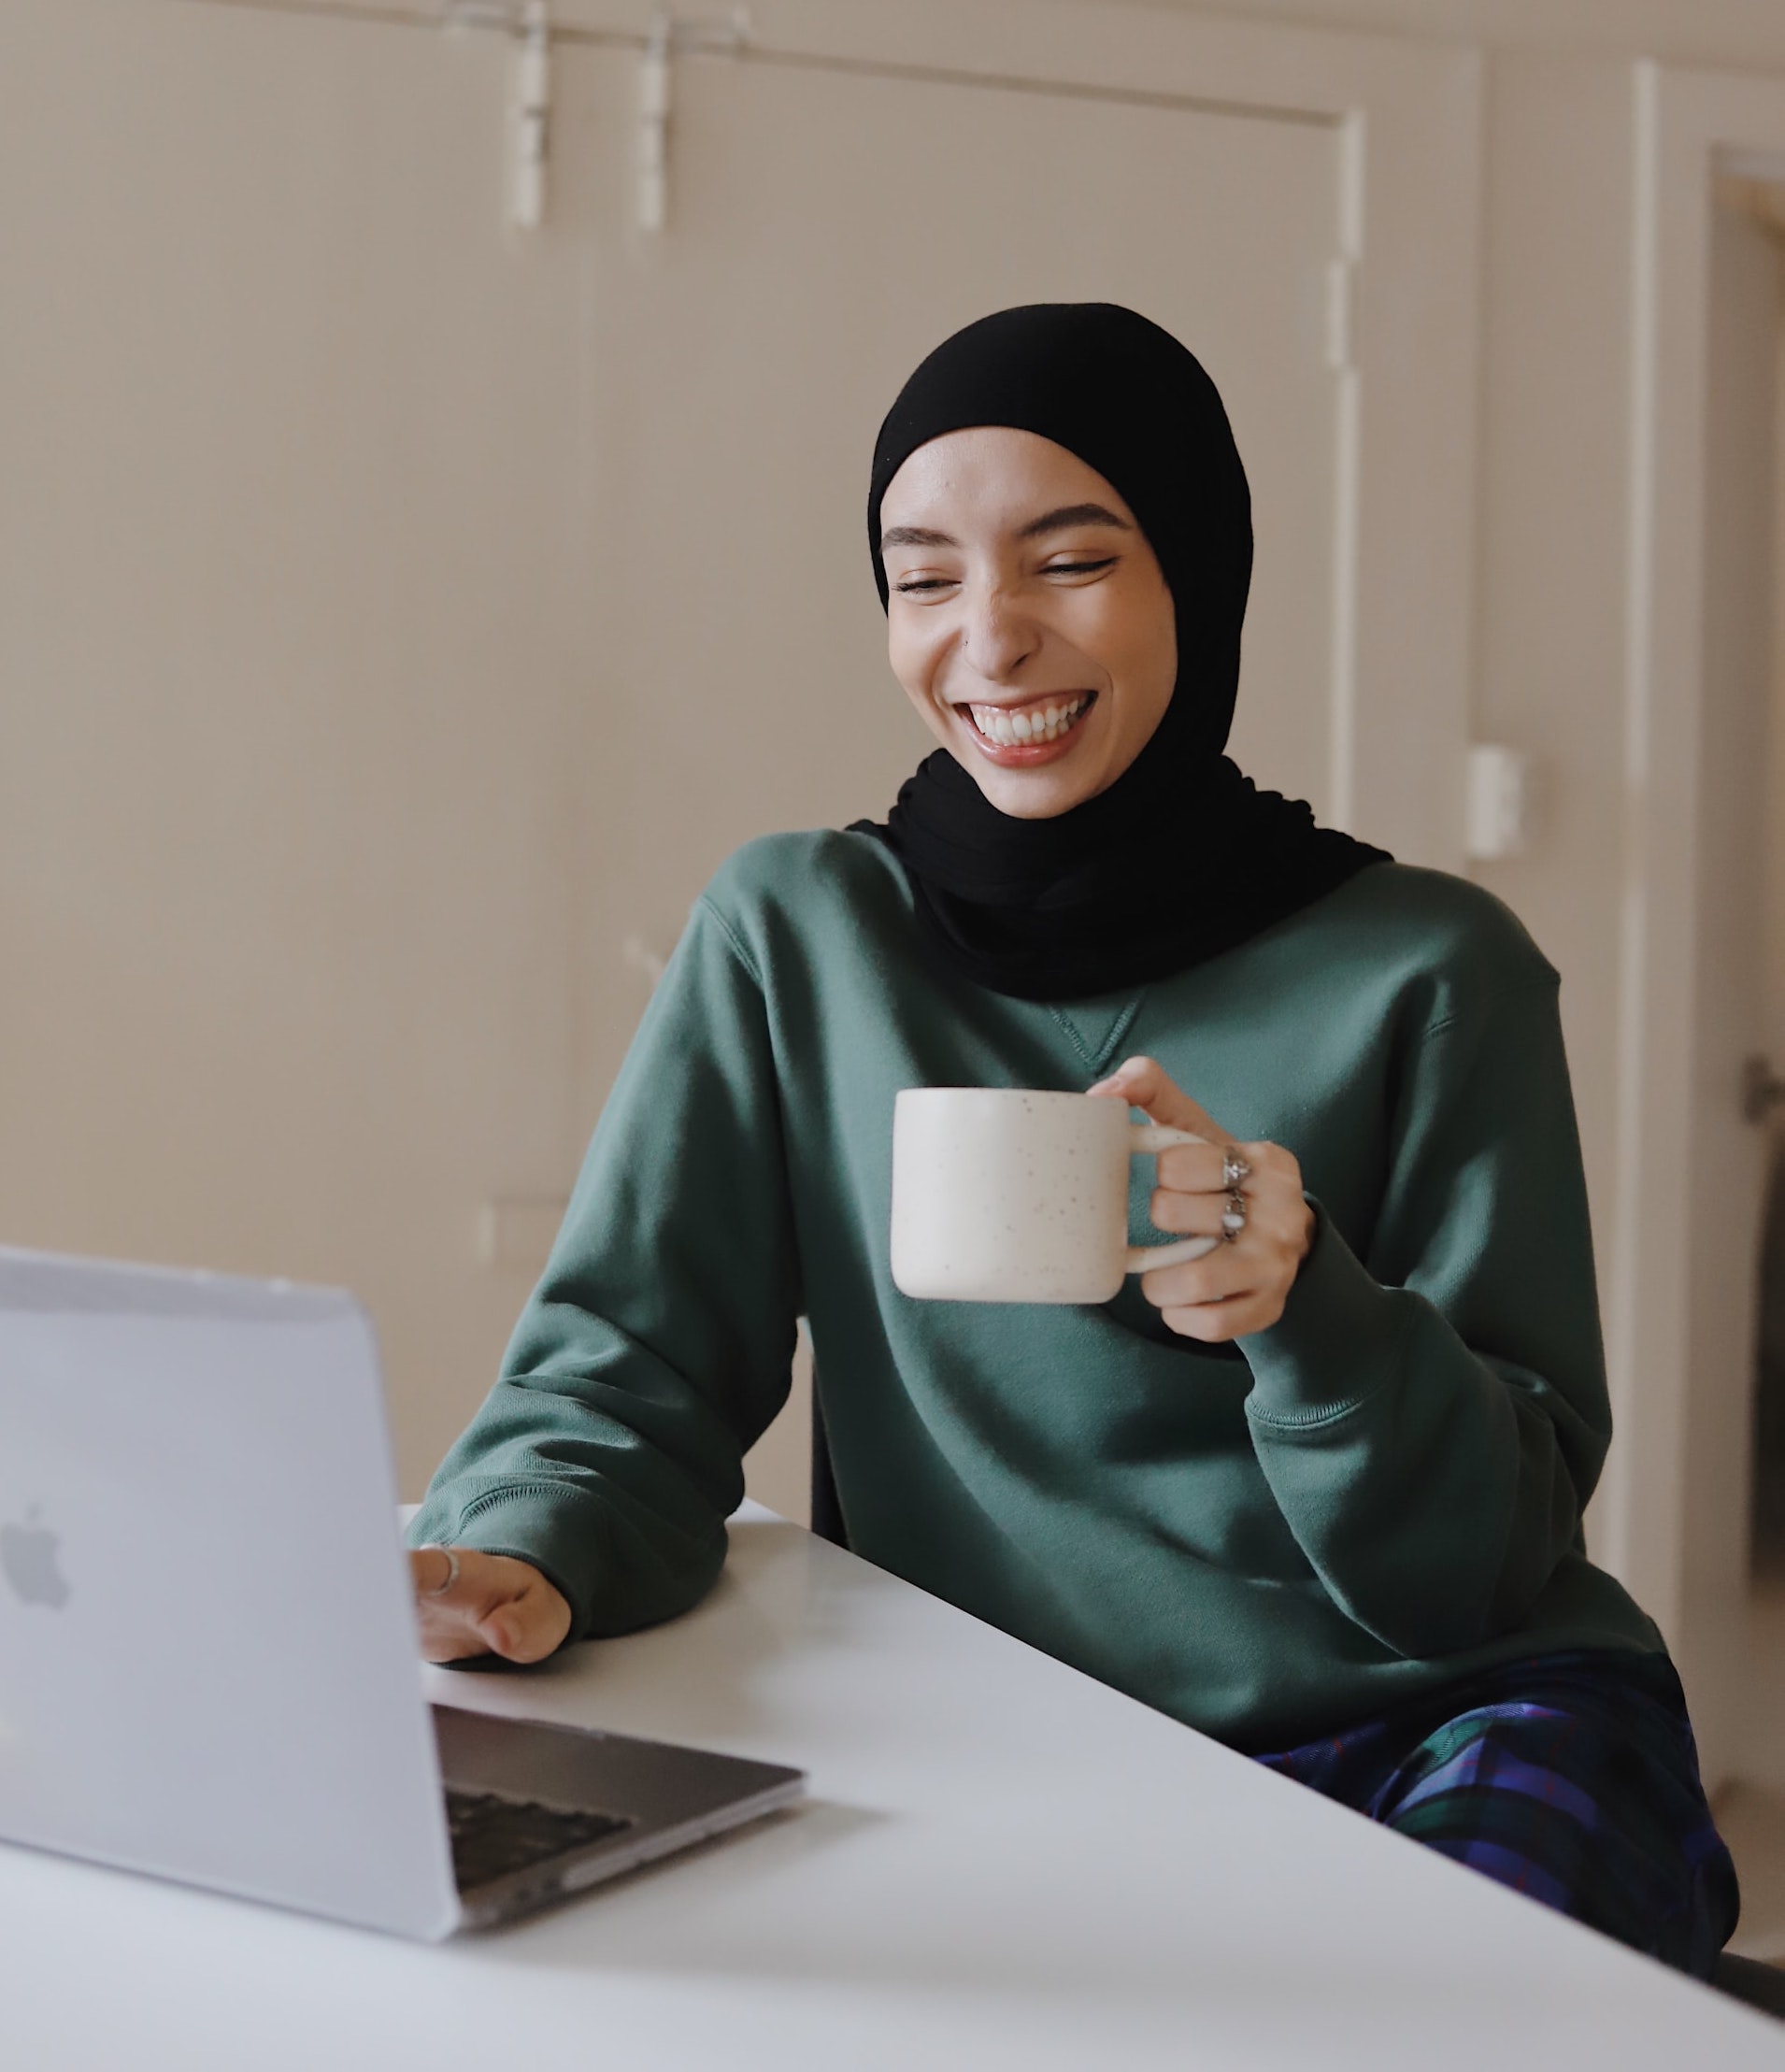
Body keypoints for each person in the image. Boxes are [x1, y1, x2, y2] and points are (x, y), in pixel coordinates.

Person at [407, 304, 1738, 1975]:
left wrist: (1301, 1302)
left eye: (1071, 559)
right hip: (1003, 1739)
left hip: (1435, 1717)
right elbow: (623, 1376)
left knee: (1431, 2014)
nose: (992, 639)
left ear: (1197, 572)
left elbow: (1483, 1569)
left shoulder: (1430, 968)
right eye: (925, 576)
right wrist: (518, 1549)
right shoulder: (793, 933)